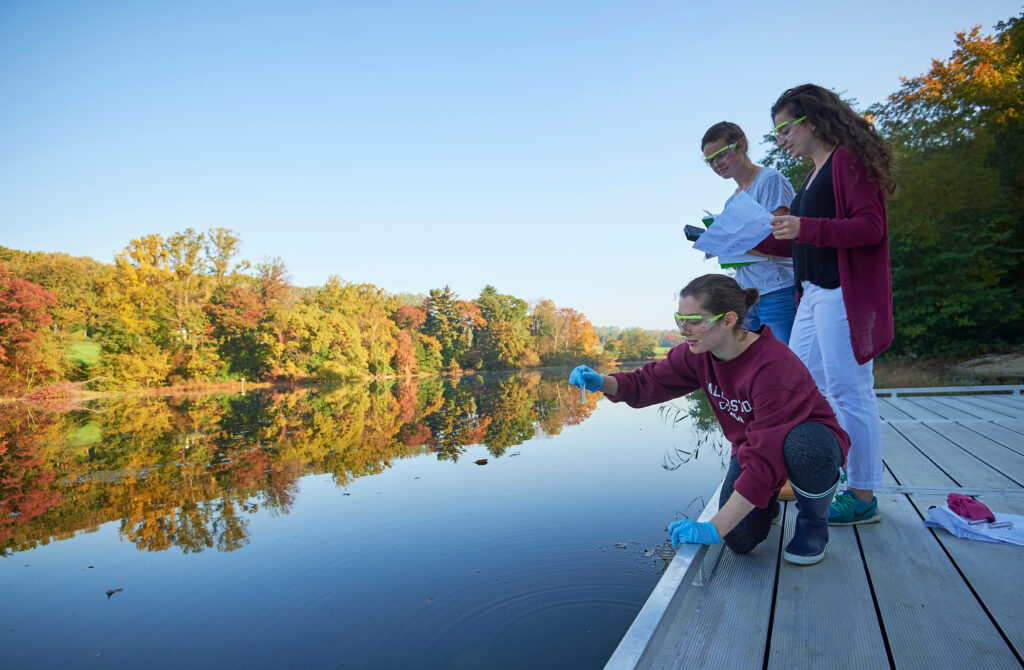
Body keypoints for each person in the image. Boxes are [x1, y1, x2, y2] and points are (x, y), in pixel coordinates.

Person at [569, 274, 850, 565]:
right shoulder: (698, 354)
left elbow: (767, 457)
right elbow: (649, 381)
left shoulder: (772, 367)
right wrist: (603, 382)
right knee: (739, 539)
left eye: (693, 320)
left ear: (728, 320)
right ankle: (767, 503)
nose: (683, 330)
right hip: (753, 447)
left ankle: (813, 524)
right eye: (680, 319)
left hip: (808, 438)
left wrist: (713, 527)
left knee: (803, 447)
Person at [761, 84, 896, 526]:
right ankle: (815, 472)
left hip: (842, 291)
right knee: (800, 386)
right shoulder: (814, 172)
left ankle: (862, 495)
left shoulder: (847, 160)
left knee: (849, 390)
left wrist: (803, 226)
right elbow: (805, 240)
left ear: (813, 119)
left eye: (785, 129)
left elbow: (869, 228)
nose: (781, 140)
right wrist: (747, 241)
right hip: (813, 293)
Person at [701, 122, 798, 344]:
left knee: (787, 362)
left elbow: (782, 241)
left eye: (720, 155)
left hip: (778, 289)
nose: (717, 164)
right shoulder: (732, 201)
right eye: (711, 161)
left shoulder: (769, 180)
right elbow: (737, 258)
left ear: (741, 145)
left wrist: (735, 242)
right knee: (755, 365)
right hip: (746, 295)